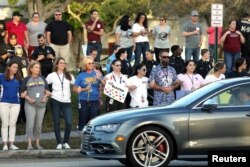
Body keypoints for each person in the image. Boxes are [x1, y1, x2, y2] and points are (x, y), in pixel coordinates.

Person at [46, 57, 75, 150]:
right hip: (55, 100)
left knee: (69, 123)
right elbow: (44, 84)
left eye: (64, 63)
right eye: (61, 63)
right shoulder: (52, 75)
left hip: (67, 101)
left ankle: (66, 141)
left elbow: (76, 84)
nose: (63, 64)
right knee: (57, 122)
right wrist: (48, 92)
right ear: (57, 65)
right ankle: (59, 142)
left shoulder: (69, 75)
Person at [21, 61, 51, 150]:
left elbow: (48, 92)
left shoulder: (42, 78)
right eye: (36, 67)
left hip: (41, 105)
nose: (38, 69)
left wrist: (45, 97)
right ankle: (29, 144)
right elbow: (22, 94)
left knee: (38, 125)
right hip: (30, 105)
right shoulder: (26, 79)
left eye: (39, 67)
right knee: (30, 124)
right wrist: (29, 99)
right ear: (31, 69)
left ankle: (37, 144)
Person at [73, 56, 101, 131]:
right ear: (85, 64)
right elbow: (74, 89)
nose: (91, 64)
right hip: (83, 100)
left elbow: (105, 85)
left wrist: (100, 79)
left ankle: (92, 140)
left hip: (94, 100)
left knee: (94, 121)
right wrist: (84, 89)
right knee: (83, 121)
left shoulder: (97, 73)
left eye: (92, 63)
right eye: (89, 63)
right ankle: (83, 141)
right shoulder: (81, 75)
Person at [0, 61, 22, 151]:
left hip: (15, 104)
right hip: (4, 103)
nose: (15, 69)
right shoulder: (1, 76)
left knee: (12, 124)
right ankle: (5, 144)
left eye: (17, 67)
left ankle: (11, 144)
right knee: (5, 123)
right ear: (9, 67)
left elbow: (22, 90)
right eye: (14, 67)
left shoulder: (19, 78)